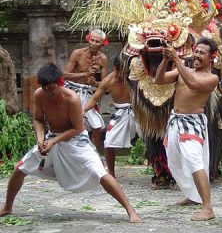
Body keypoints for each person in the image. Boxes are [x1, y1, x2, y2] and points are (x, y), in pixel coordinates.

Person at [0, 64, 140, 222]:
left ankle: (130, 210)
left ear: (60, 83)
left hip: (77, 140)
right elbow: (38, 120)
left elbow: (77, 128)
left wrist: (53, 141)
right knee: (20, 168)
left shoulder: (72, 98)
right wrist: (41, 139)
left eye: (51, 88)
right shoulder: (39, 94)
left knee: (100, 173)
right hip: (51, 137)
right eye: (44, 88)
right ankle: (7, 206)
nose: (48, 92)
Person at [155, 37, 218, 221]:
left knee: (194, 160)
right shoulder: (183, 70)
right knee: (174, 161)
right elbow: (159, 80)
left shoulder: (211, 78)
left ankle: (208, 208)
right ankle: (193, 196)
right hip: (175, 121)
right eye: (196, 51)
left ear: (211, 57)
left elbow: (193, 84)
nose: (197, 55)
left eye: (202, 53)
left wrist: (176, 59)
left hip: (193, 123)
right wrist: (166, 60)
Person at [84, 56, 138, 178]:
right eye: (122, 71)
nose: (124, 74)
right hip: (120, 114)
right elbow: (94, 99)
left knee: (154, 139)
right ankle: (111, 175)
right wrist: (82, 110)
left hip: (139, 111)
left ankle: (162, 173)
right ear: (115, 68)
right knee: (108, 142)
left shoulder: (135, 77)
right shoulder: (108, 80)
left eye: (126, 71)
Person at [63, 29, 109, 150]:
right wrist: (85, 74)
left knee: (98, 127)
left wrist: (95, 83)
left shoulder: (103, 59)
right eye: (92, 40)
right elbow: (64, 75)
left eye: (97, 41)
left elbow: (104, 84)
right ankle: (70, 152)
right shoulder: (77, 53)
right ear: (88, 39)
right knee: (70, 125)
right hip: (71, 91)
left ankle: (93, 154)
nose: (93, 43)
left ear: (103, 43)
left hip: (87, 93)